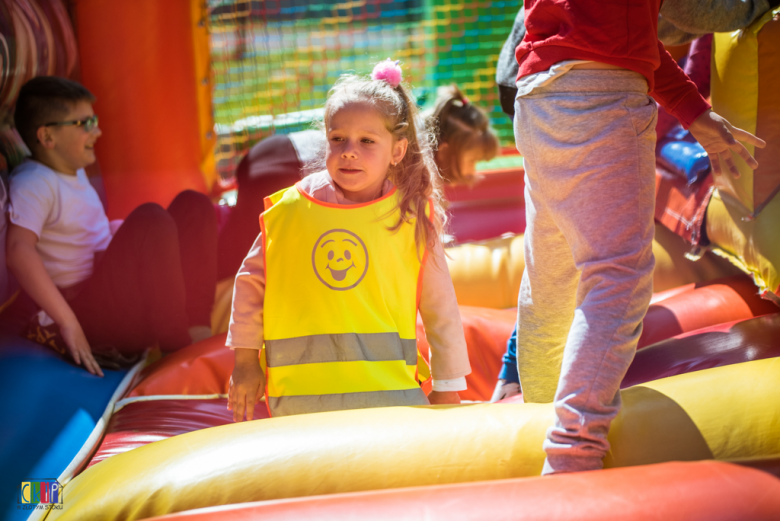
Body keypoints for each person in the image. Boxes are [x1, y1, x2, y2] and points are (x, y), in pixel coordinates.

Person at [511, 0, 766, 474]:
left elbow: (627, 36)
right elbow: (692, 15)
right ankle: (572, 450)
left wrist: (693, 112)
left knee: (553, 277)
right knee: (617, 278)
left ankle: (536, 418)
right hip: (601, 99)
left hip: (540, 95)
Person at [227, 59, 471, 421]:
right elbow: (250, 285)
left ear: (397, 151)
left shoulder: (411, 219)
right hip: (301, 401)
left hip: (392, 399)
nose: (349, 151)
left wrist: (448, 386)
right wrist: (245, 362)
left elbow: (441, 310)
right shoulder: (290, 212)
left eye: (367, 141)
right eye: (337, 139)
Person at [4, 76, 217, 376]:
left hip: (114, 295)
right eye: (84, 124)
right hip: (95, 320)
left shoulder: (70, 172)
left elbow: (78, 234)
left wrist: (115, 234)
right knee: (151, 219)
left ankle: (197, 329)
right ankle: (176, 351)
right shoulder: (35, 182)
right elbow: (17, 249)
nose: (98, 131)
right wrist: (68, 322)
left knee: (193, 205)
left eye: (94, 120)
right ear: (47, 137)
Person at [216, 85, 499, 280]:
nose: (474, 174)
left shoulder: (408, 131)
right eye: (473, 161)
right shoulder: (415, 151)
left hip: (270, 152)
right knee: (247, 249)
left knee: (242, 236)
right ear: (448, 150)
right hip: (283, 166)